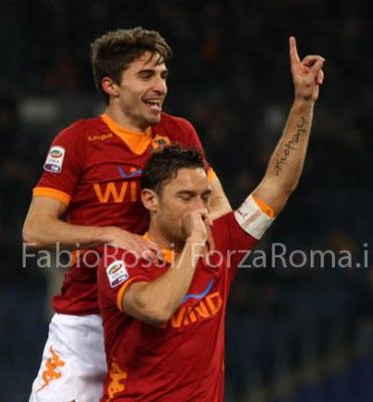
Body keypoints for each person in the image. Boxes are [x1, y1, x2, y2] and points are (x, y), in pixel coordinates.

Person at [97, 36, 324, 401]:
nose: (200, 209)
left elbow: (278, 185)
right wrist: (194, 245)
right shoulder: (121, 255)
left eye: (204, 197)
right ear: (151, 201)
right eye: (185, 198)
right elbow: (156, 308)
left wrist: (303, 102)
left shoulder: (220, 241)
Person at [23, 27, 232, 401]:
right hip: (87, 319)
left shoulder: (179, 132)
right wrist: (110, 234)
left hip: (158, 319)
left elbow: (218, 206)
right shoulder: (77, 141)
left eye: (163, 75)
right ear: (111, 85)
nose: (160, 87)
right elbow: (35, 231)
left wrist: (196, 253)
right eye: (146, 75)